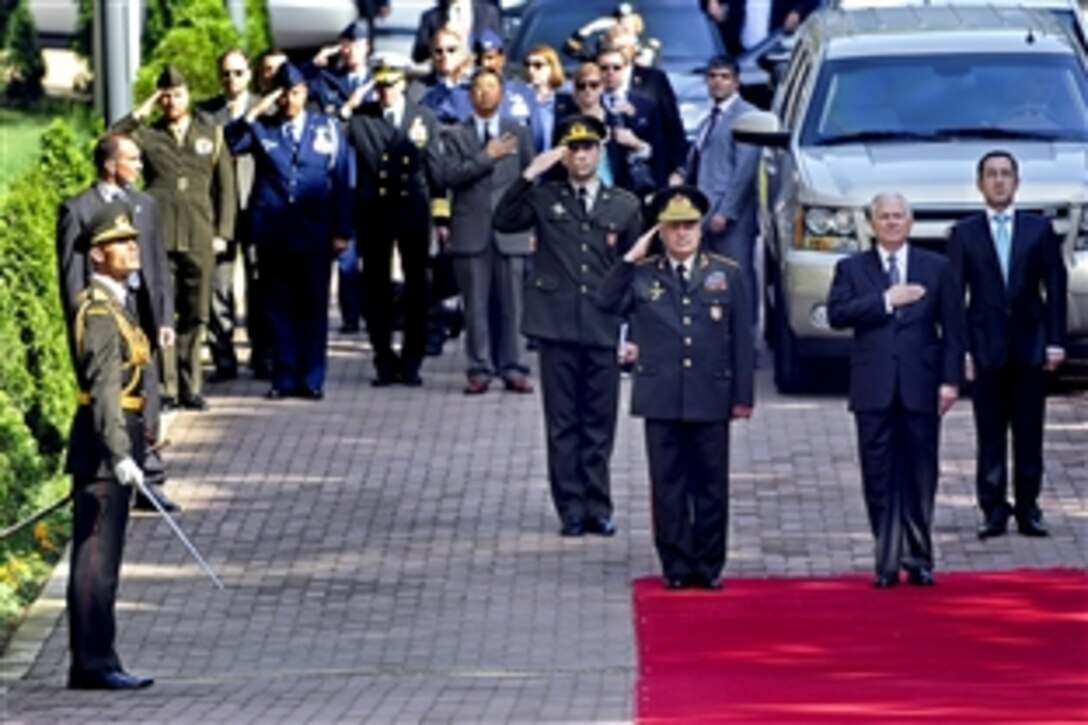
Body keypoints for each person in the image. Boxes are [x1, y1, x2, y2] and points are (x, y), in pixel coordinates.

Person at [598, 186, 754, 590]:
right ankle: (676, 565)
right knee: (667, 486)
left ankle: (708, 564)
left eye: (689, 226)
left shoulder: (727, 273)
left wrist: (742, 396)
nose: (682, 234)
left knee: (711, 484)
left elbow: (741, 339)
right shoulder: (644, 273)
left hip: (710, 393)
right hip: (661, 394)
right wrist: (629, 259)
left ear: (701, 230)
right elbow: (605, 302)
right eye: (673, 228)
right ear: (660, 232)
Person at [493, 114, 643, 537]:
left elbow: (635, 271)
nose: (581, 156)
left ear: (600, 151)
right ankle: (571, 508)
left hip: (601, 325)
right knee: (562, 423)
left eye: (589, 147)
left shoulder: (624, 204)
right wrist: (529, 173)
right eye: (573, 148)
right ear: (564, 154)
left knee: (599, 423)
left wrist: (634, 333)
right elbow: (504, 221)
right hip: (557, 325)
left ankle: (599, 504)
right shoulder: (545, 197)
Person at [827, 193, 965, 588]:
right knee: (879, 475)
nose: (891, 223)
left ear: (910, 221)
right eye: (883, 217)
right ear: (872, 223)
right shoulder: (851, 268)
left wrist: (950, 380)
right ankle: (886, 561)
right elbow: (837, 314)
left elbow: (954, 330)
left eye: (898, 216)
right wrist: (885, 300)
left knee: (921, 475)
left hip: (921, 385)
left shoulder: (935, 267)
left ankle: (918, 557)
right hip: (873, 387)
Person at [55, 132, 180, 513]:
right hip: (106, 313)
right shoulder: (78, 209)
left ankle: (150, 475)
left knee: (148, 391)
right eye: (133, 159)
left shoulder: (144, 204)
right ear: (110, 164)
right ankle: (117, 465)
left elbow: (157, 265)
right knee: (111, 391)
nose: (141, 167)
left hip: (138, 312)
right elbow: (72, 277)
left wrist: (163, 315)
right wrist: (84, 324)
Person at [946, 150, 1067, 539]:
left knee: (1030, 433)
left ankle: (1029, 508)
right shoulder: (964, 234)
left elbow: (1056, 286)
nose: (999, 181)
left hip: (1030, 346)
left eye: (1006, 174)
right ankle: (993, 509)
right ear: (980, 184)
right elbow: (955, 296)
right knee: (991, 432)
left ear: (1016, 182)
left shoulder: (1038, 230)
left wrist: (1055, 341)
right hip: (986, 349)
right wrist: (961, 350)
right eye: (991, 175)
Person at [64, 203, 155, 691]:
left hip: (116, 438)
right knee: (95, 563)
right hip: (103, 448)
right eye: (121, 242)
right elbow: (102, 390)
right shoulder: (99, 311)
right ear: (98, 255)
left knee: (105, 561)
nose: (132, 246)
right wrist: (119, 453)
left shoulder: (117, 304)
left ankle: (101, 657)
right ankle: (92, 664)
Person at [224, 62, 352, 400]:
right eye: (284, 95)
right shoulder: (263, 129)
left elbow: (340, 180)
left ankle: (311, 378)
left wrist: (342, 230)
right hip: (273, 234)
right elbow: (230, 143)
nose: (289, 102)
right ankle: (284, 376)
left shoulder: (326, 128)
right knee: (277, 308)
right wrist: (254, 112)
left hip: (314, 232)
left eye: (295, 94)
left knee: (313, 306)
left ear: (305, 93)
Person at [113, 65, 236, 412]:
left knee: (197, 315)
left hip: (200, 236)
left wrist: (223, 233)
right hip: (159, 237)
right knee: (161, 312)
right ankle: (166, 388)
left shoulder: (211, 135)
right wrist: (141, 111)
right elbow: (111, 140)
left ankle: (190, 385)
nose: (171, 101)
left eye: (177, 94)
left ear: (189, 95)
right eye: (164, 95)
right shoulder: (148, 136)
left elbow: (226, 190)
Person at [346, 57, 444, 386]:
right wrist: (350, 104)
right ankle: (383, 360)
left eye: (391, 84)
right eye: (380, 86)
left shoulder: (423, 118)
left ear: (403, 83)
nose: (385, 92)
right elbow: (336, 129)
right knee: (375, 289)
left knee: (418, 288)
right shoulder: (362, 119)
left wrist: (441, 215)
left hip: (411, 211)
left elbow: (435, 169)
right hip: (375, 212)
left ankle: (412, 361)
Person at [440, 67, 535, 394]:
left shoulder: (518, 132)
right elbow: (449, 176)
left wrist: (532, 225)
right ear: (469, 96)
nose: (484, 93)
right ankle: (479, 368)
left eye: (491, 87)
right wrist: (486, 157)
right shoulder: (455, 134)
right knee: (475, 305)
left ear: (502, 94)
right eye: (478, 88)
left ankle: (513, 366)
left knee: (513, 305)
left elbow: (530, 178)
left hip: (511, 233)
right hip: (471, 229)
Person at [673, 55, 760, 322]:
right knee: (711, 280)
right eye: (712, 76)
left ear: (737, 81)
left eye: (724, 76)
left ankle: (746, 343)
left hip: (730, 217)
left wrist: (727, 211)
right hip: (704, 212)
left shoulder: (747, 116)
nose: (718, 82)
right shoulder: (708, 118)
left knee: (738, 277)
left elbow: (745, 171)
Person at [198, 48, 259, 383]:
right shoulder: (206, 115)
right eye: (225, 73)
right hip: (219, 213)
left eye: (237, 72)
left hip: (255, 207)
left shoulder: (262, 108)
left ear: (248, 74)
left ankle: (262, 353)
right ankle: (224, 358)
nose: (231, 79)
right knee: (218, 287)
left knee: (259, 283)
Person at [556, 62, 655, 198]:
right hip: (577, 192)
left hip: (615, 191)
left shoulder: (618, 119)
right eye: (581, 86)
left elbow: (647, 154)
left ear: (602, 88)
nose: (588, 90)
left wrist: (636, 143)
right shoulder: (565, 124)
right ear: (575, 90)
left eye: (594, 85)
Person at [596, 44, 675, 189]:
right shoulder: (589, 104)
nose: (610, 72)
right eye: (604, 68)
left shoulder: (645, 105)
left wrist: (637, 144)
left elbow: (660, 151)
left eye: (616, 67)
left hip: (635, 186)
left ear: (625, 69)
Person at [701, 0, 818, 58]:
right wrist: (712, 3)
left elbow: (811, 2)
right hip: (737, 55)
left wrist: (797, 12)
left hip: (776, 52)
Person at [412, 25, 474, 124]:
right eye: (438, 51)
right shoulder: (418, 88)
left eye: (451, 50)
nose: (445, 55)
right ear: (431, 55)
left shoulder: (476, 86)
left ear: (462, 54)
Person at [413, 0, 502, 65]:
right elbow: (418, 56)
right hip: (442, 83)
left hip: (477, 80)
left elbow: (498, 52)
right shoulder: (431, 17)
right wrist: (440, 40)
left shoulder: (488, 12)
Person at [521, 44, 564, 153]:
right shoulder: (518, 100)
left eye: (538, 65)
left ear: (552, 67)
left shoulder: (565, 102)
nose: (531, 70)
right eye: (527, 65)